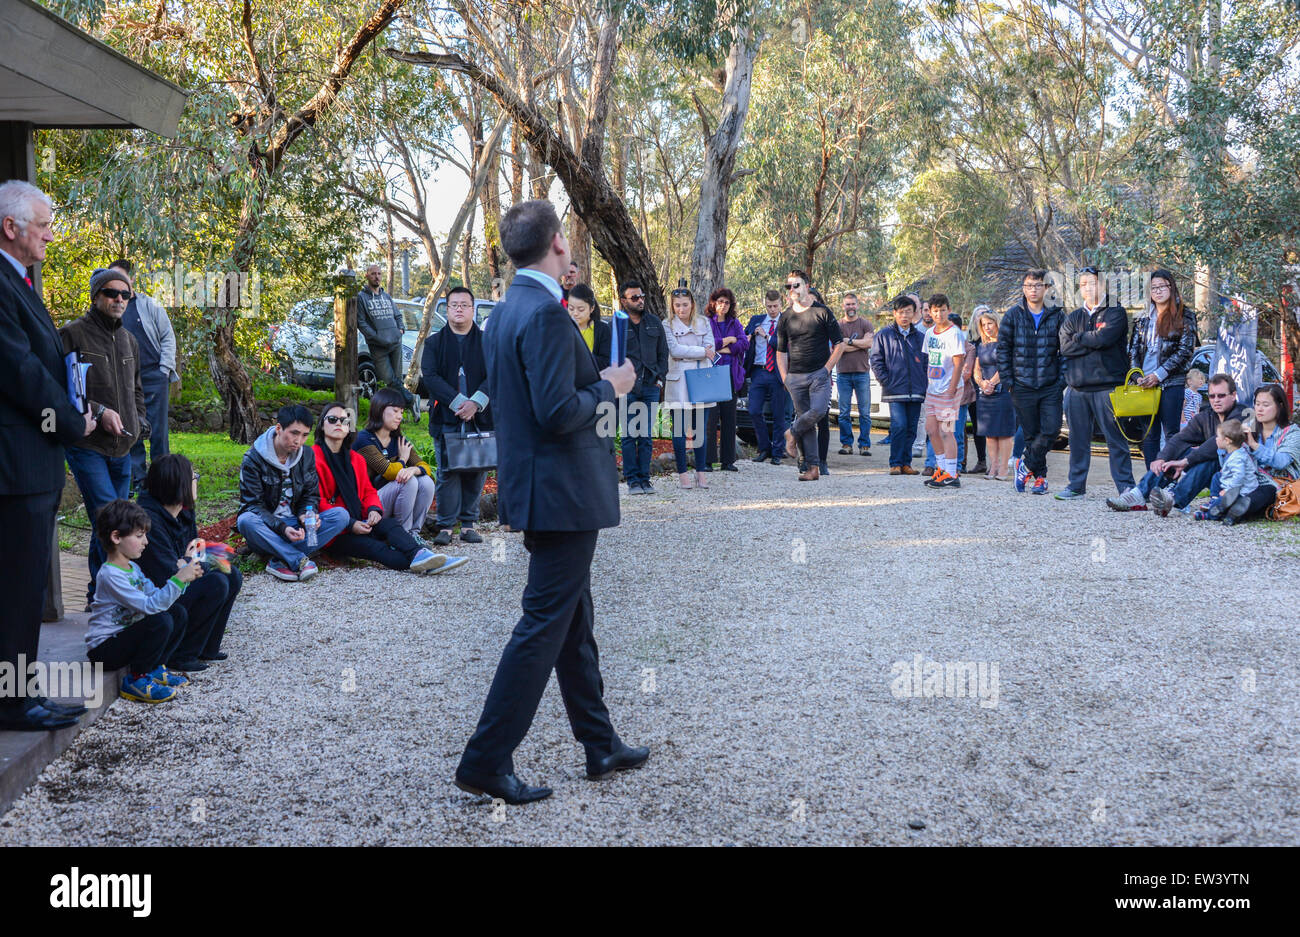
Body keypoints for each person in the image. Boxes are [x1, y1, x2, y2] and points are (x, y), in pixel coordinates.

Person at [455, 199, 646, 806]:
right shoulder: (540, 313)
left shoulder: (509, 309)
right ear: (559, 243)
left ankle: (599, 743)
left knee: (571, 622)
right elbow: (559, 412)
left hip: (543, 489)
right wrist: (609, 387)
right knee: (543, 623)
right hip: (560, 493)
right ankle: (486, 759)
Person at [0, 179, 97, 731]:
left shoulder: (19, 279)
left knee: (21, 583)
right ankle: (12, 701)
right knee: (17, 586)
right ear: (11, 228)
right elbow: (20, 371)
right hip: (16, 462)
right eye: (43, 225)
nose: (50, 235)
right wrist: (69, 421)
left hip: (27, 458)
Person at [61, 266, 150, 609]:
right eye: (111, 293)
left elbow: (138, 389)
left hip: (123, 447)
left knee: (114, 524)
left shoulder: (130, 340)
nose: (119, 299)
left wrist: (140, 422)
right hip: (87, 445)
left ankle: (100, 593)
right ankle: (108, 595)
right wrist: (98, 412)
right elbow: (63, 387)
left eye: (125, 294)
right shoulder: (73, 334)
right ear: (96, 295)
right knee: (107, 519)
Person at [313, 402, 466, 573]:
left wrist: (373, 510)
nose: (339, 424)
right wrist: (350, 524)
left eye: (344, 420)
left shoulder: (355, 458)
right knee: (376, 548)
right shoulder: (313, 457)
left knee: (390, 525)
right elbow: (317, 501)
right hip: (335, 531)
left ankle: (423, 555)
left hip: (360, 520)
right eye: (332, 419)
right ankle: (425, 564)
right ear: (322, 425)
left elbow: (368, 491)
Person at [85, 499, 201, 704]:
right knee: (159, 622)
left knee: (177, 613)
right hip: (104, 650)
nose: (146, 541)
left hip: (125, 637)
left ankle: (155, 667)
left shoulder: (133, 568)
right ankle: (136, 679)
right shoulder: (110, 575)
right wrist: (178, 578)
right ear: (116, 537)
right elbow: (150, 606)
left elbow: (156, 596)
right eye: (139, 536)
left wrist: (185, 580)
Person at [137, 454, 243, 669]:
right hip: (158, 593)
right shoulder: (149, 521)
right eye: (194, 476)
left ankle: (207, 647)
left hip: (181, 573)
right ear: (180, 484)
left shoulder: (183, 510)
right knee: (215, 583)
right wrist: (189, 560)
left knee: (231, 573)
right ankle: (182, 655)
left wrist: (188, 560)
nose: (197, 480)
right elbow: (168, 572)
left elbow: (197, 550)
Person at [236, 403, 350, 581]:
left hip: (297, 524)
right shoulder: (253, 459)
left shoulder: (306, 455)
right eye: (294, 433)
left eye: (305, 435)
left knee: (341, 516)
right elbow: (252, 505)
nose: (299, 441)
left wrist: (307, 514)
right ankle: (298, 559)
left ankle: (279, 558)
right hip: (268, 527)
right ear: (279, 428)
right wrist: (283, 528)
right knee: (245, 520)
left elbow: (311, 495)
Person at [1107, 372, 1246, 515]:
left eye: (1221, 395)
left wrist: (1186, 462)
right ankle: (1138, 494)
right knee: (1177, 452)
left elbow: (1216, 443)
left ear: (1233, 395)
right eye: (1212, 396)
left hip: (1237, 474)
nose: (1216, 400)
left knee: (1209, 458)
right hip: (1217, 472)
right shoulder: (1206, 416)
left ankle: (1173, 500)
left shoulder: (1243, 414)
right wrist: (1162, 457)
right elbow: (1180, 438)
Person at [1055, 266, 1136, 501]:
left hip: (1107, 387)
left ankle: (1125, 486)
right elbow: (1065, 347)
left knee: (1115, 440)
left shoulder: (1115, 312)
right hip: (1077, 389)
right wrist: (1090, 340)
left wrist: (1079, 338)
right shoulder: (1074, 316)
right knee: (1077, 441)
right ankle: (1076, 486)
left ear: (1102, 284)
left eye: (1092, 283)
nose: (1087, 288)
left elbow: (1104, 338)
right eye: (1083, 284)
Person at [421, 286, 492, 545]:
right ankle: (445, 526)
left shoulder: (488, 342)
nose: (459, 309)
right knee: (447, 471)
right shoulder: (434, 343)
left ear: (473, 309)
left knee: (476, 469)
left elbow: (496, 375)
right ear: (447, 309)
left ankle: (469, 525)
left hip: (481, 416)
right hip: (446, 417)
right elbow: (430, 376)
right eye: (454, 305)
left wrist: (476, 402)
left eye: (464, 304)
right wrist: (460, 402)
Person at [107, 259, 179, 496]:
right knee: (131, 428)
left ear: (131, 280)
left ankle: (162, 478)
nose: (118, 287)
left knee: (158, 431)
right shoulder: (111, 308)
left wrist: (164, 369)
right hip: (125, 379)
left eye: (121, 278)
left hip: (154, 375)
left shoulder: (149, 305)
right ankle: (139, 479)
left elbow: (168, 336)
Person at [997, 269, 1066, 494]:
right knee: (1031, 434)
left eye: (1038, 285)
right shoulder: (1013, 315)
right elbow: (1003, 351)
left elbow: (1065, 351)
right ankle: (1040, 479)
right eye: (1029, 285)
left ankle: (1024, 464)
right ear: (1023, 288)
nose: (1033, 290)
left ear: (1046, 288)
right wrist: (1009, 381)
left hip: (1050, 385)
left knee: (1051, 429)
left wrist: (1061, 380)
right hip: (1021, 386)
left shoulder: (1057, 315)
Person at [1128, 268, 1198, 468]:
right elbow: (1133, 350)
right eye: (1153, 288)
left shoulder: (1185, 315)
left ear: (1171, 287)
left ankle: (1172, 476)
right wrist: (1138, 377)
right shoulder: (1142, 317)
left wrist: (1159, 375)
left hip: (1170, 382)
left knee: (1171, 434)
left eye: (1162, 287)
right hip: (1144, 385)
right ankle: (1152, 480)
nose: (1157, 291)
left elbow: (1185, 351)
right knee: (1149, 435)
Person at [777, 270, 844, 481]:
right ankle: (812, 468)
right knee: (808, 423)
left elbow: (840, 345)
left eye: (796, 285)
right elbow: (780, 351)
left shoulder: (822, 312)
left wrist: (826, 369)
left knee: (818, 411)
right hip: (795, 376)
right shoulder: (786, 316)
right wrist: (785, 377)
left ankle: (791, 433)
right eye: (789, 286)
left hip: (819, 374)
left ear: (807, 285)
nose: (792, 290)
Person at [354, 387, 436, 540]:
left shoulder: (398, 440)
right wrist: (403, 460)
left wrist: (413, 469)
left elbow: (426, 468)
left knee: (426, 482)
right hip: (369, 505)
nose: (399, 417)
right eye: (395, 411)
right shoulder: (364, 439)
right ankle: (401, 537)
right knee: (407, 481)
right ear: (379, 409)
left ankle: (414, 535)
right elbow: (389, 472)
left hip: (389, 499)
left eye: (402, 412)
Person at [618, 280, 669, 494]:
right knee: (629, 435)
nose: (640, 301)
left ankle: (645, 480)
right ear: (623, 300)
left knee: (646, 435)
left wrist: (659, 380)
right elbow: (613, 357)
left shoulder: (654, 322)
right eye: (634, 298)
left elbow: (663, 354)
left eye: (642, 296)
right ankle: (632, 481)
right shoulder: (617, 324)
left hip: (650, 386)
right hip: (627, 387)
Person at [664, 287, 716, 489]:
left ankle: (701, 473)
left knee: (700, 430)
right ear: (672, 306)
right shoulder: (666, 324)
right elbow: (675, 350)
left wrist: (696, 353)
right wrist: (701, 351)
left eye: (685, 304)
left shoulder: (704, 322)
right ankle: (682, 473)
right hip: (678, 382)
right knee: (678, 431)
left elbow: (711, 348)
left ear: (692, 304)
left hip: (701, 379)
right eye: (677, 305)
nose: (681, 309)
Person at [871, 295, 927, 475]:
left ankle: (906, 463)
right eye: (901, 312)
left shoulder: (920, 337)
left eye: (908, 312)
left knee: (911, 429)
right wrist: (886, 381)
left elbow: (926, 362)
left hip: (916, 390)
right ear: (895, 313)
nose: (905, 316)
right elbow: (876, 361)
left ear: (914, 313)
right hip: (895, 390)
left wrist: (923, 382)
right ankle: (895, 462)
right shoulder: (883, 335)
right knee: (899, 426)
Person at [356, 263, 419, 418]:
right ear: (367, 276)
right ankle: (412, 400)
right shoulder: (361, 298)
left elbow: (398, 315)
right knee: (389, 379)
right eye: (373, 274)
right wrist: (376, 337)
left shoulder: (386, 296)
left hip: (395, 342)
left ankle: (396, 414)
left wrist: (401, 329)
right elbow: (361, 322)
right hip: (378, 346)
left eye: (379, 274)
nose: (377, 277)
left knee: (396, 381)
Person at [1233, 383, 1300, 521]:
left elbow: (1281, 462)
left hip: (1278, 486)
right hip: (1251, 481)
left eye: (1265, 405)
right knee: (1221, 477)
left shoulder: (1293, 432)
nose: (1259, 409)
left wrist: (1254, 445)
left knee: (1266, 492)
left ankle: (1228, 509)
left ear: (1280, 406)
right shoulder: (1250, 429)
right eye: (1257, 404)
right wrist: (1232, 444)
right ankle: (1227, 508)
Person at [920, 295, 966, 489]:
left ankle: (952, 472)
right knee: (931, 429)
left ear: (948, 310)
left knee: (946, 431)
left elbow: (958, 363)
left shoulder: (954, 333)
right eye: (935, 310)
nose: (939, 314)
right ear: (930, 311)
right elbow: (928, 361)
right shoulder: (930, 334)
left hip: (949, 389)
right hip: (933, 389)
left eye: (943, 310)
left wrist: (951, 389)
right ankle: (941, 468)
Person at [744, 289, 789, 464]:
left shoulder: (787, 321)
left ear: (781, 304)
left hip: (777, 372)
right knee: (754, 410)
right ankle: (764, 448)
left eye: (775, 306)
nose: (772, 310)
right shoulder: (756, 320)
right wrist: (748, 336)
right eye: (769, 306)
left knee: (779, 414)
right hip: (758, 371)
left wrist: (767, 335)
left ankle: (777, 452)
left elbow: (784, 345)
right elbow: (744, 337)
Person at [705, 287, 748, 472]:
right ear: (713, 303)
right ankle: (707, 461)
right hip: (711, 375)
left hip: (730, 375)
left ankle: (728, 461)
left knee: (729, 419)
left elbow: (744, 343)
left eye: (727, 302)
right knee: (710, 419)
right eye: (720, 301)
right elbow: (706, 344)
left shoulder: (734, 322)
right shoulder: (706, 322)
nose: (723, 305)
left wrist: (726, 346)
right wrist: (728, 340)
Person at [973, 310, 1015, 480]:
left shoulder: (1006, 343)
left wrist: (992, 382)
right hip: (985, 394)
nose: (987, 327)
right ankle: (993, 467)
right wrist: (981, 382)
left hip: (1003, 391)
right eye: (984, 325)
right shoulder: (981, 345)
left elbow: (1007, 365)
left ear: (997, 323)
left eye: (990, 323)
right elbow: (977, 369)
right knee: (989, 432)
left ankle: (1004, 469)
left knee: (1003, 432)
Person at [1191, 420, 1259, 523]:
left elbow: (1239, 477)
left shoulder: (1238, 457)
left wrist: (1228, 490)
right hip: (1234, 483)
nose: (1216, 439)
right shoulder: (1234, 452)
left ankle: (1210, 514)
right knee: (1217, 476)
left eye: (1218, 437)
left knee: (1222, 501)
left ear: (1227, 441)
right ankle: (1214, 500)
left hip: (1242, 489)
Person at [837, 292, 874, 456]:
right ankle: (847, 444)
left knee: (864, 412)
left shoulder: (865, 324)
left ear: (857, 305)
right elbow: (839, 348)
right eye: (847, 304)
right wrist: (860, 345)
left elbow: (869, 343)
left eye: (853, 304)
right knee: (844, 412)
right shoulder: (838, 326)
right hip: (843, 374)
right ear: (843, 306)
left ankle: (864, 445)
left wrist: (849, 341)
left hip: (862, 373)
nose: (850, 307)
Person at [965, 304, 991, 475]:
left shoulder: (993, 341)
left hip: (992, 387)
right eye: (979, 315)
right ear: (974, 319)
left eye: (986, 314)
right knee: (977, 427)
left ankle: (998, 463)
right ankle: (982, 461)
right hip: (974, 389)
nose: (982, 318)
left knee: (994, 427)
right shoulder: (969, 342)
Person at [567, 283, 611, 370]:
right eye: (571, 308)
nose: (575, 313)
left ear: (592, 308)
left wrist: (581, 356)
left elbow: (606, 362)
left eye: (581, 309)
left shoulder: (602, 330)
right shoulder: (563, 329)